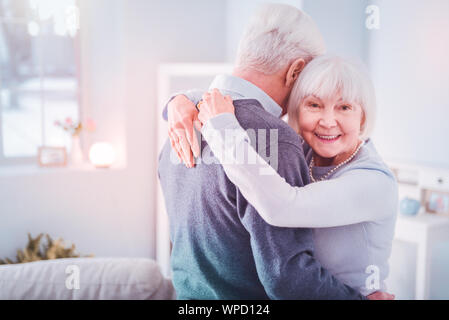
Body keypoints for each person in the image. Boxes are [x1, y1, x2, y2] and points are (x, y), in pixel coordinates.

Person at [159, 3, 389, 300]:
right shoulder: (277, 140)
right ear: (297, 71)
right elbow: (288, 280)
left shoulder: (180, 127)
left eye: (344, 106)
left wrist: (177, 100)